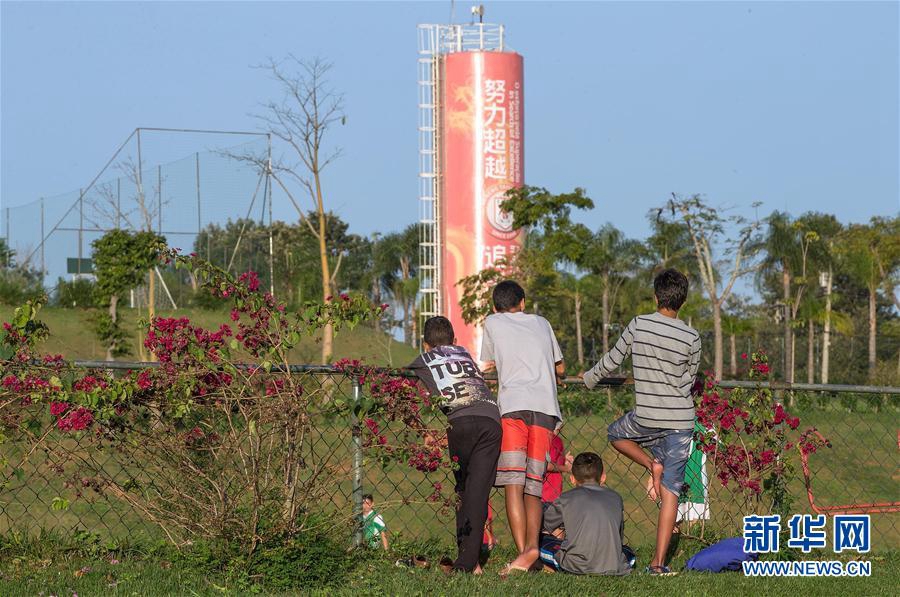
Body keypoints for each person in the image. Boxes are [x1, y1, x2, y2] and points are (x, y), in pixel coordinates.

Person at [581, 268, 701, 575]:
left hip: (646, 416)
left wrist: (590, 378)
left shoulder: (640, 324)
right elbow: (688, 380)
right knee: (672, 489)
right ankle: (658, 564)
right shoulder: (692, 336)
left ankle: (651, 465)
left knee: (616, 434)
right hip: (681, 419)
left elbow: (614, 358)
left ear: (655, 296)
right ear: (682, 301)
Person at [480, 280, 565, 575]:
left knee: (513, 484)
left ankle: (523, 554)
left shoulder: (491, 322)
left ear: (495, 307)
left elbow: (487, 363)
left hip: (512, 406)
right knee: (534, 485)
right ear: (523, 302)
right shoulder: (542, 322)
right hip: (544, 407)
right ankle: (533, 551)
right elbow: (560, 368)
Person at [408, 316, 501, 573]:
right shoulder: (465, 354)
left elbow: (407, 402)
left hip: (458, 423)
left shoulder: (424, 359)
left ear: (425, 344)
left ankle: (467, 562)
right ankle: (470, 562)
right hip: (490, 421)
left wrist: (424, 431)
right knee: (477, 493)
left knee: (463, 491)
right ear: (455, 340)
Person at [539, 452, 634, 575]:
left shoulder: (566, 498)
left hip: (576, 566)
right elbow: (618, 538)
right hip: (614, 565)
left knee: (540, 542)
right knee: (627, 551)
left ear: (572, 479)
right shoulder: (616, 497)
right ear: (603, 477)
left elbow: (544, 524)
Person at [543, 424, 573, 504]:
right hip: (550, 494)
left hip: (537, 492)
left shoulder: (540, 438)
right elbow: (547, 465)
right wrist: (567, 468)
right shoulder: (556, 440)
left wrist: (564, 460)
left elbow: (554, 462)